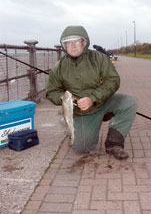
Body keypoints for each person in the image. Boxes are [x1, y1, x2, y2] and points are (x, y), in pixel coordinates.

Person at [46, 26, 138, 160]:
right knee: (81, 148)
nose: (72, 45)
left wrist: (93, 98)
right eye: (68, 42)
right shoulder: (58, 68)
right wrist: (62, 98)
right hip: (81, 112)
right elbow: (51, 91)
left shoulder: (99, 58)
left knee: (129, 102)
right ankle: (68, 121)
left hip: (102, 102)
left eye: (76, 41)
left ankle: (113, 144)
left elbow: (113, 80)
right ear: (64, 45)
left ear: (84, 42)